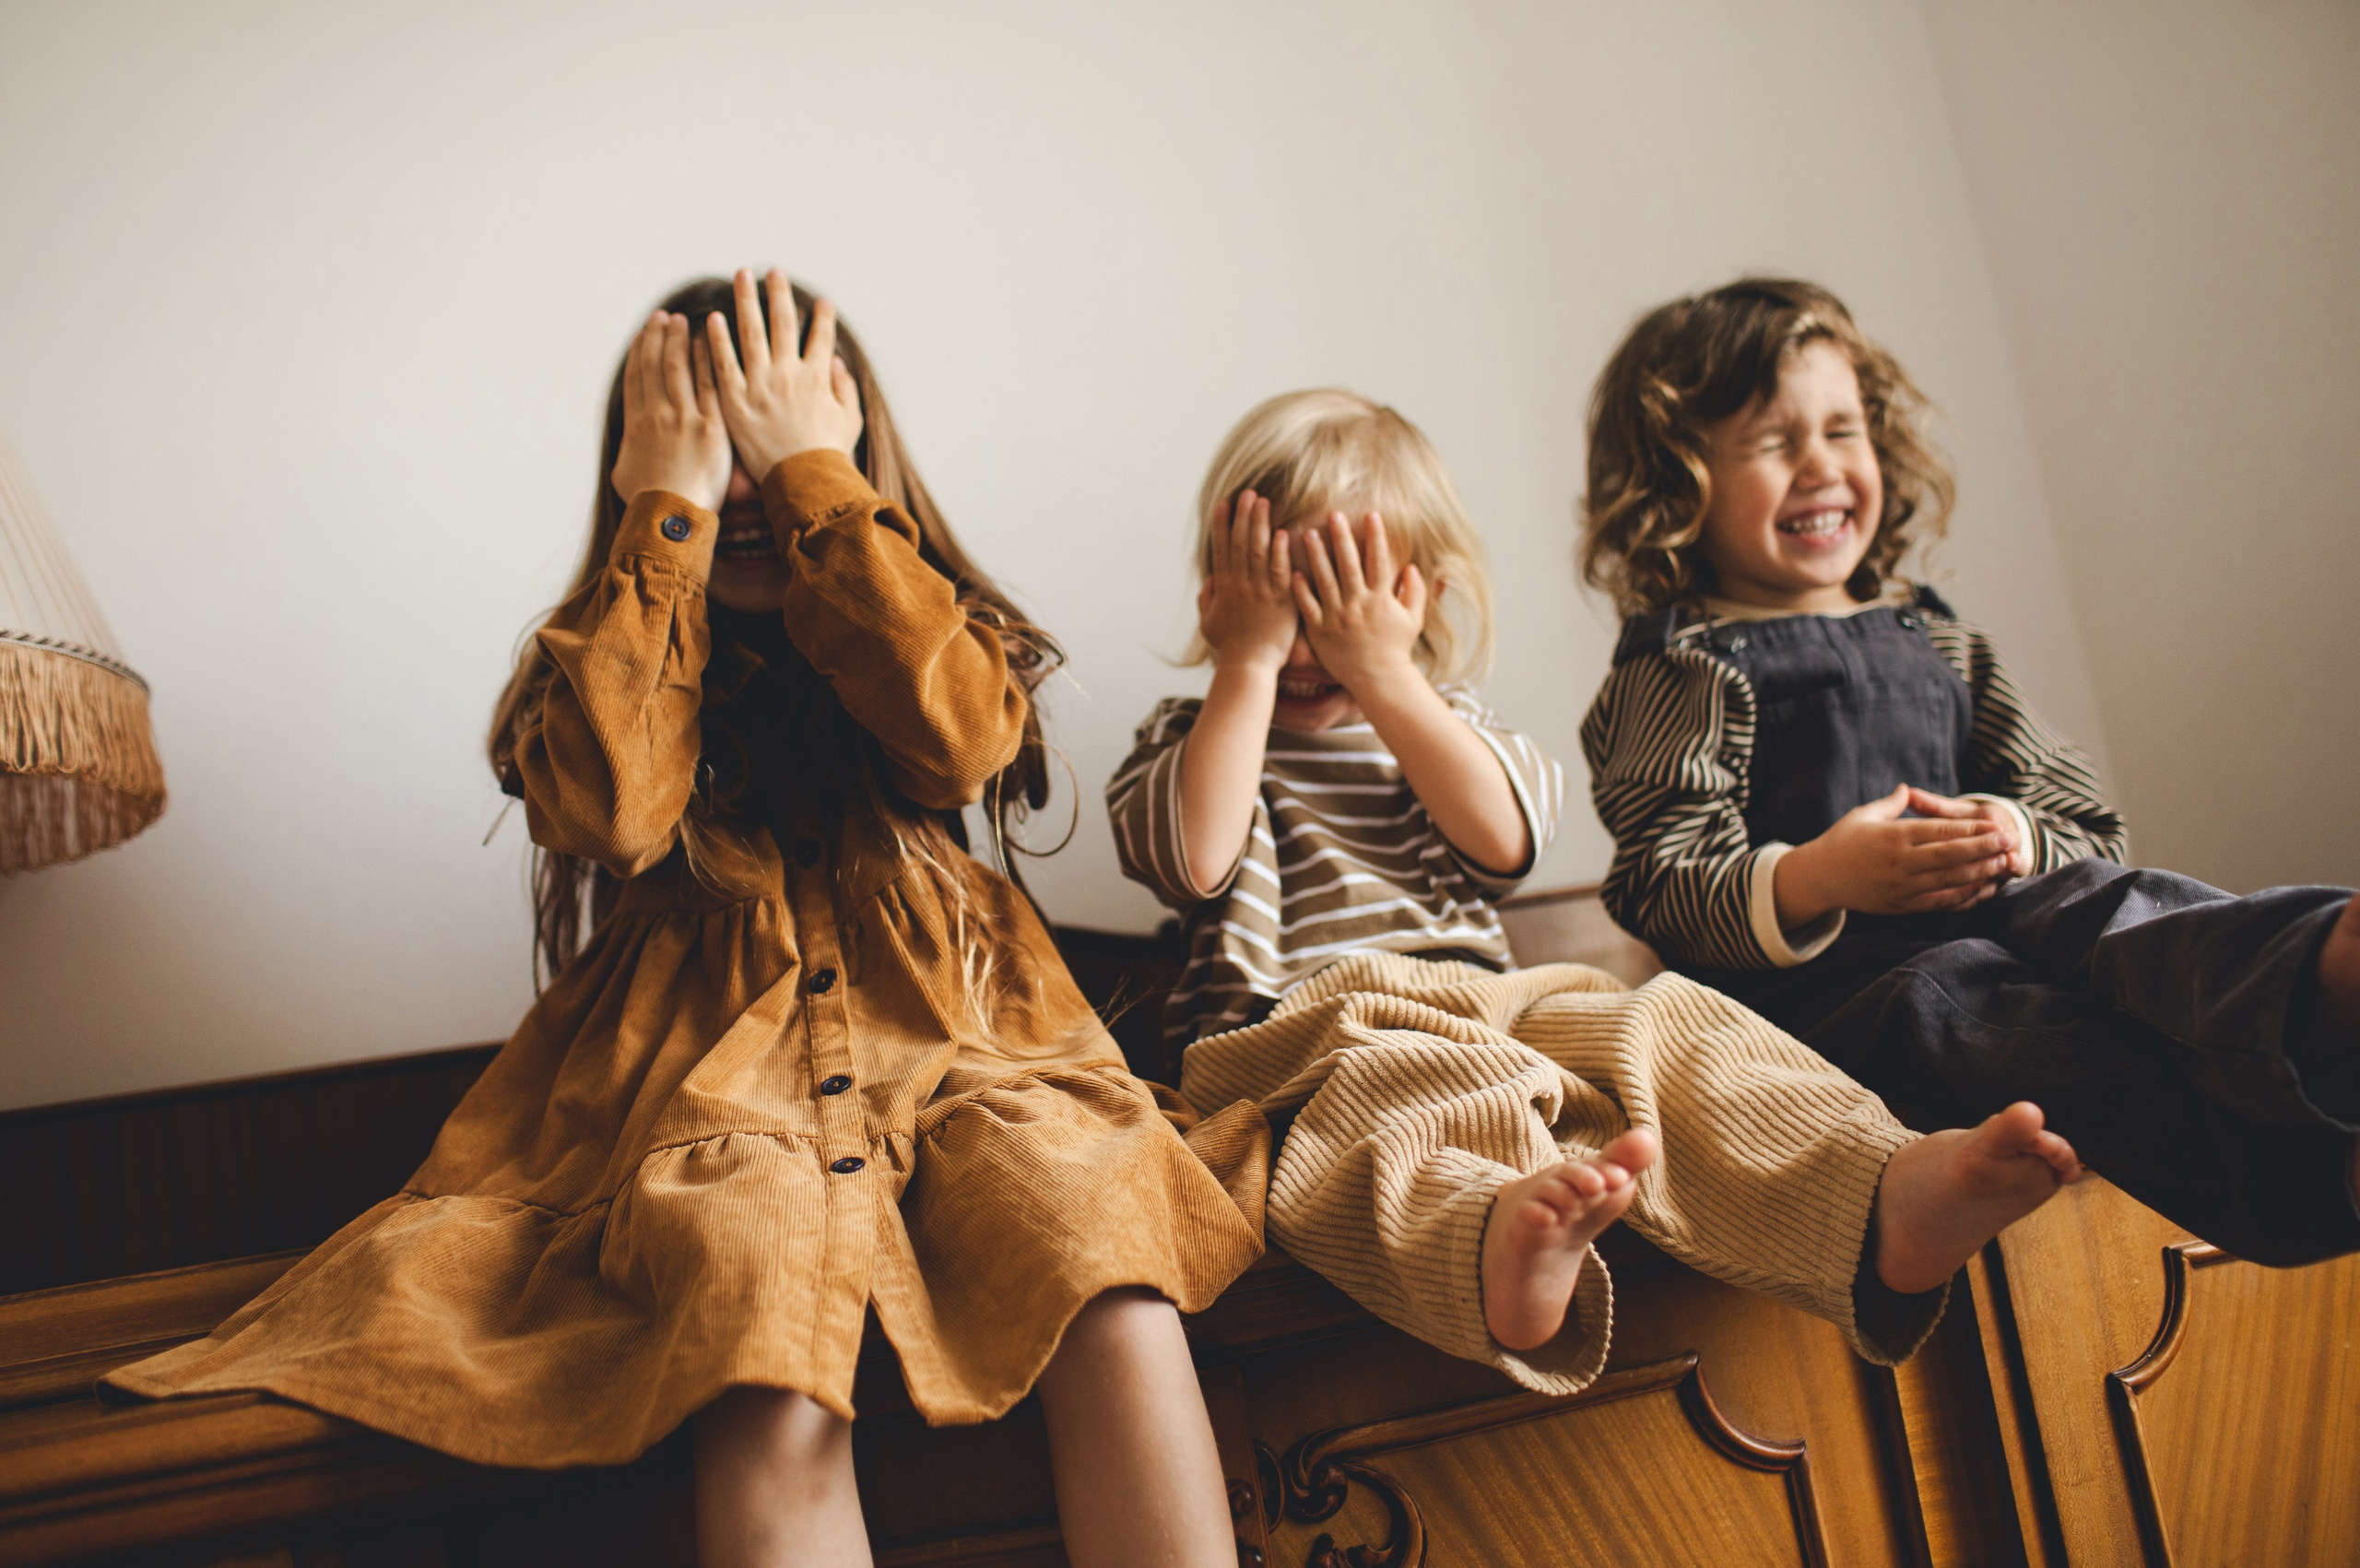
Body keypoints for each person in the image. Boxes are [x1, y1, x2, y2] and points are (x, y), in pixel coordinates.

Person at [109, 270, 1266, 1568]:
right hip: (715, 1092)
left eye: (769, 448)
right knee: (756, 1332)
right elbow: (612, 812)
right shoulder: (601, 653)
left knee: (1106, 1275)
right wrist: (665, 516)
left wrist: (816, 477)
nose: (749, 495)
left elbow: (954, 741)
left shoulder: (939, 625)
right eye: (714, 452)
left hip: (973, 1058)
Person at [1109, 388, 2079, 1400]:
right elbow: (1195, 861)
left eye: (1341, 601)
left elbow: (1502, 844)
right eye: (1283, 599)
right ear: (1219, 594)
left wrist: (1386, 675)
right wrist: (1247, 662)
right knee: (1390, 1111)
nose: (1313, 642)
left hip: (1494, 1006)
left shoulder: (1443, 727)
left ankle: (1881, 1192)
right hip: (1305, 1033)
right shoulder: (1193, 739)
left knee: (1672, 1025)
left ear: (1422, 601)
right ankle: (1497, 1240)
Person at [1577, 275, 2360, 1267]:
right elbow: (1660, 882)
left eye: (1842, 431)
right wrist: (1822, 875)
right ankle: (2311, 1182)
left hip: (2005, 915)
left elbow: (2083, 817)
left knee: (2104, 903)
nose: (1819, 467)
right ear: (1679, 484)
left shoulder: (1937, 639)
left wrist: (2018, 832)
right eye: (1775, 444)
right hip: (1838, 996)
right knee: (1978, 1000)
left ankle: (2314, 975)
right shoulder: (1681, 667)